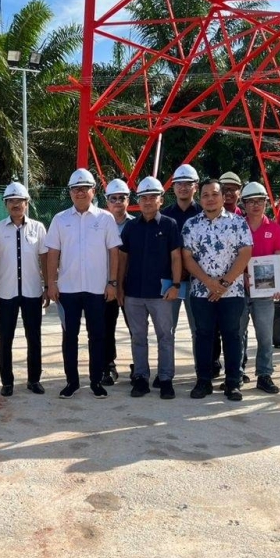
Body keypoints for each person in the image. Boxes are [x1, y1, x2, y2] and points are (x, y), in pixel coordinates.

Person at [45, 168, 122, 399]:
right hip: (68, 290)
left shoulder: (105, 218)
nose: (80, 192)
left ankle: (96, 381)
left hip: (97, 289)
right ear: (70, 192)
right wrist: (51, 283)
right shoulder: (60, 219)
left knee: (97, 335)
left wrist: (112, 283)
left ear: (93, 191)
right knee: (70, 337)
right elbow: (52, 254)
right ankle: (72, 382)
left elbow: (114, 253)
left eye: (84, 188)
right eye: (75, 189)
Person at [182, 179, 253, 400]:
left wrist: (223, 284)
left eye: (214, 194)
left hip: (232, 293)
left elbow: (245, 253)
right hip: (201, 293)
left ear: (223, 197)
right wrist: (209, 282)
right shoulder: (191, 225)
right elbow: (187, 258)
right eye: (205, 195)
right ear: (200, 198)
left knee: (232, 335)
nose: (210, 198)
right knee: (203, 335)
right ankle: (203, 381)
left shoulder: (238, 223)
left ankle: (233, 382)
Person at [117, 176, 181, 400]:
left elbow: (176, 258)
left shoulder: (169, 225)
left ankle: (165, 379)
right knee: (138, 337)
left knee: (165, 336)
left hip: (161, 294)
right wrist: (119, 287)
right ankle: (141, 378)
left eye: (152, 197)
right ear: (138, 201)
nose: (147, 201)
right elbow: (122, 259)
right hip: (134, 293)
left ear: (160, 200)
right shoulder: (131, 227)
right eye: (143, 197)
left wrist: (175, 285)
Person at [0, 182, 49, 397]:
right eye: (11, 201)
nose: (16, 205)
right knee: (5, 338)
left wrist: (48, 286)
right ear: (6, 204)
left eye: (20, 201)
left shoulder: (38, 228)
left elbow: (44, 257)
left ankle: (34, 380)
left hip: (32, 291)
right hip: (5, 292)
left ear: (27, 203)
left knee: (34, 337)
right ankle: (7, 382)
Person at [237, 182, 280, 394]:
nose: (256, 205)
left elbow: (277, 257)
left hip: (264, 293)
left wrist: (278, 285)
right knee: (236, 333)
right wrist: (241, 275)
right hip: (238, 289)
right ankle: (236, 374)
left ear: (266, 202)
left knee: (265, 335)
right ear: (244, 204)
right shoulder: (237, 225)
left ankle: (264, 375)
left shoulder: (274, 228)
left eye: (260, 201)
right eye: (251, 201)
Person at [162, 163, 202, 356]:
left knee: (200, 330)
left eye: (188, 183)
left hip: (198, 280)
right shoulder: (165, 216)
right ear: (173, 187)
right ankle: (165, 373)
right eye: (179, 183)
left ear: (196, 186)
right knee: (167, 330)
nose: (183, 187)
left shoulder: (204, 214)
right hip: (171, 281)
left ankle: (203, 370)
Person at [101, 178, 134, 385]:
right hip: (108, 284)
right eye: (114, 198)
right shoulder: (100, 224)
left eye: (122, 198)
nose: (118, 202)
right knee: (106, 327)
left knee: (136, 327)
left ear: (128, 200)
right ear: (107, 201)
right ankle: (108, 365)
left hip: (132, 285)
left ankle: (139, 365)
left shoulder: (136, 224)